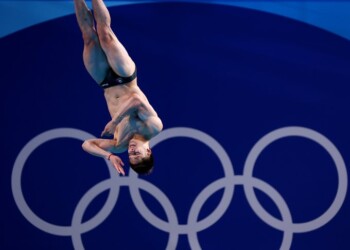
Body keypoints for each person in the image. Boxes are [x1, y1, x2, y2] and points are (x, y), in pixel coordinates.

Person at [74, 0, 163, 175]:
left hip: (105, 82)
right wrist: (115, 122)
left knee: (88, 38)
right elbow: (137, 101)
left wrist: (108, 156)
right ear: (148, 151)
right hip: (125, 77)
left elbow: (87, 144)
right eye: (137, 152)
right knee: (104, 34)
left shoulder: (119, 145)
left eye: (131, 155)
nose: (131, 150)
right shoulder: (153, 127)